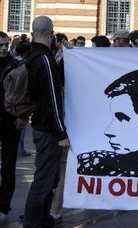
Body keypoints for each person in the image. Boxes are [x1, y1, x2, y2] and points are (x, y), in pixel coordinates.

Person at [23, 15, 70, 228]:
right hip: (48, 129)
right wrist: (62, 133)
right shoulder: (44, 59)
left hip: (40, 125)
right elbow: (53, 99)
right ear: (51, 32)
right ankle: (34, 222)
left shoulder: (32, 56)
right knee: (44, 180)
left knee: (49, 178)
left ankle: (42, 219)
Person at [0, 31, 21, 223]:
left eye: (6, 44)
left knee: (8, 167)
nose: (4, 48)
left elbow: (26, 93)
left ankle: (3, 206)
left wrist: (22, 116)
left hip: (9, 121)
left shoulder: (16, 65)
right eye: (0, 45)